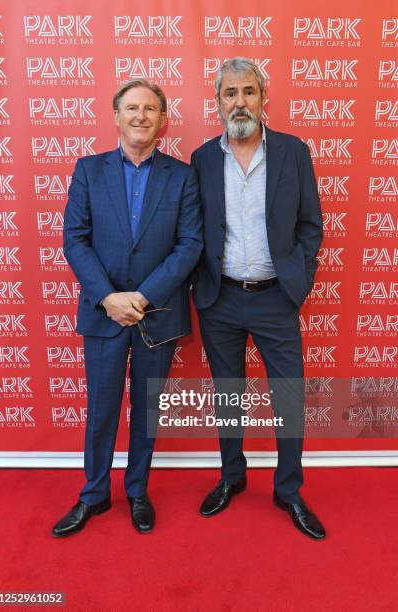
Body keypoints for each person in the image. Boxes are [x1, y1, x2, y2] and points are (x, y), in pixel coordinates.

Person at [52, 79, 202, 536]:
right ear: (116, 116)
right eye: (132, 108)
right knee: (101, 409)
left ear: (163, 120)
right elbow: (74, 240)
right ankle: (94, 494)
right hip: (103, 312)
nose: (141, 116)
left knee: (147, 408)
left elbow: (190, 243)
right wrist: (108, 297)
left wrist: (142, 296)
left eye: (150, 109)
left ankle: (137, 491)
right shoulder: (88, 170)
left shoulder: (182, 175)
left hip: (156, 313)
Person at [190, 58, 325, 540]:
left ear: (263, 98)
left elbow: (311, 225)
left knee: (288, 397)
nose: (240, 101)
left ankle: (288, 489)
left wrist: (298, 281)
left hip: (276, 299)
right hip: (219, 298)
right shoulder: (203, 159)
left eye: (249, 91)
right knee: (229, 396)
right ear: (218, 102)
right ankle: (232, 476)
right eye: (230, 93)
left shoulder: (293, 152)